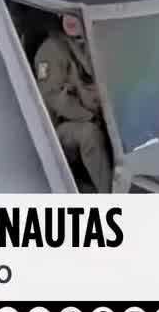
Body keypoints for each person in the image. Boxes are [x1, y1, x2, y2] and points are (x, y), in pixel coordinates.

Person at [33, 13, 113, 193]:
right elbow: (51, 96)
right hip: (63, 126)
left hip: (100, 113)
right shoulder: (52, 49)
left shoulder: (96, 42)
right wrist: (89, 116)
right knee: (89, 134)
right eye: (65, 13)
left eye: (75, 14)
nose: (70, 19)